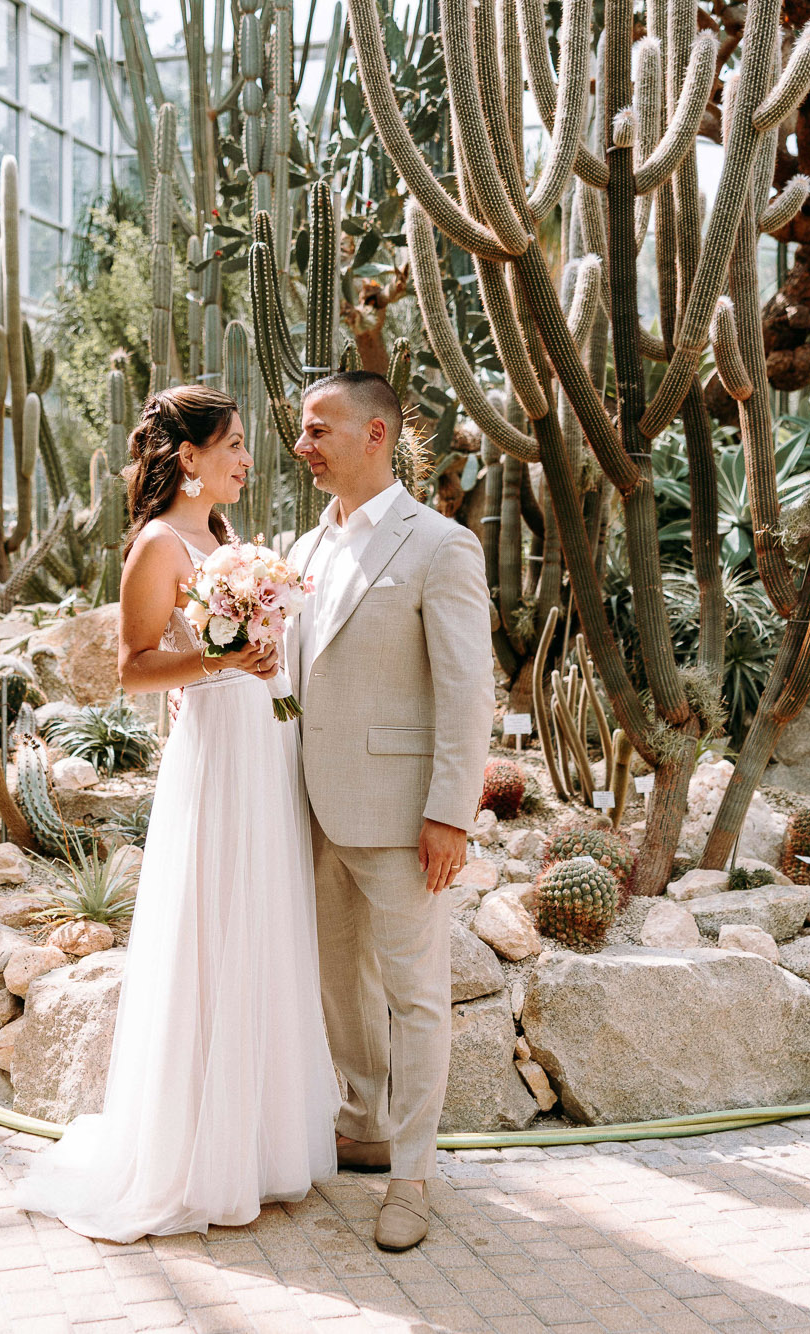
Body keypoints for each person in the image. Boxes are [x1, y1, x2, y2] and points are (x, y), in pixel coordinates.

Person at [14, 385, 339, 1243]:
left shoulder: (226, 539)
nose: (246, 460)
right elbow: (131, 669)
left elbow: (226, 647)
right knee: (210, 926)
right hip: (213, 756)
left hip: (257, 747)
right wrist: (223, 659)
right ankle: (192, 1154)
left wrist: (254, 651)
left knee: (257, 923)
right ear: (188, 456)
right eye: (232, 444)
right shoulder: (158, 545)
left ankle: (256, 1145)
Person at [287, 371, 494, 1252]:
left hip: (404, 813)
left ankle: (412, 1175)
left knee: (415, 998)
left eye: (318, 428)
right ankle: (362, 1122)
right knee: (340, 988)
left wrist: (450, 811)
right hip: (310, 808)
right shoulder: (299, 549)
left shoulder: (440, 545)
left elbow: (467, 688)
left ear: (376, 434)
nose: (304, 445)